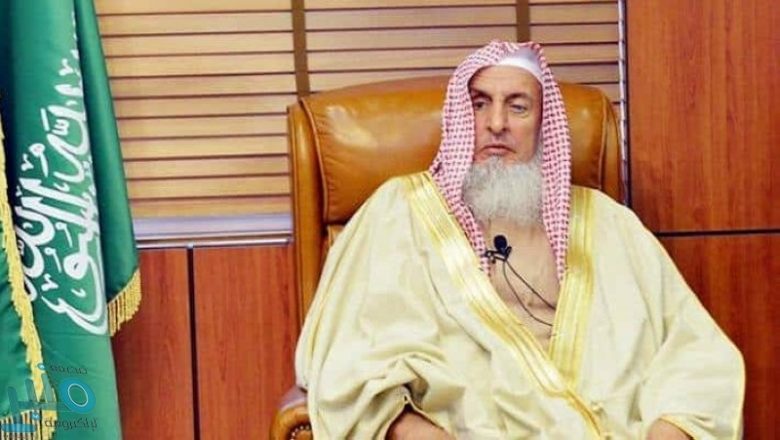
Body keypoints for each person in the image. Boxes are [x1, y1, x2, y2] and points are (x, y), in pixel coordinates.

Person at [294, 41, 744, 439]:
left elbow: (694, 346)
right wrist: (413, 432)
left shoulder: (606, 223)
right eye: (480, 104)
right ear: (460, 117)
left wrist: (668, 432)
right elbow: (348, 355)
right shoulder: (398, 212)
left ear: (543, 124)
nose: (496, 123)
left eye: (518, 107)